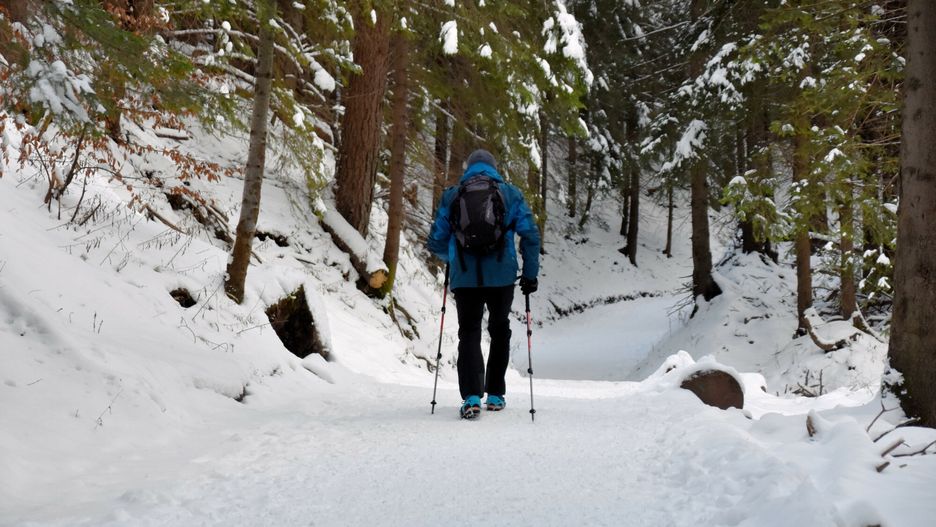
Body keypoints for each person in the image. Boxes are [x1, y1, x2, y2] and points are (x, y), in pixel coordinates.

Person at [427, 149, 541, 419]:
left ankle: (471, 396)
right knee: (500, 329)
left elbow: (436, 241)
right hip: (501, 276)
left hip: (464, 278)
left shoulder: (453, 195)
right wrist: (530, 274)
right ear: (494, 167)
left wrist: (453, 258)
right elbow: (530, 235)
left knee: (469, 331)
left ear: (468, 168)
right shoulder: (510, 194)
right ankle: (496, 394)